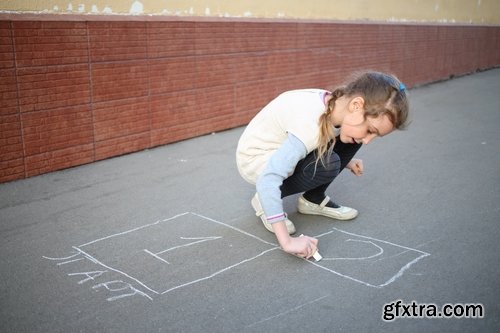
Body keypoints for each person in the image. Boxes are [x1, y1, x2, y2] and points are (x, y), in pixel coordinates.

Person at [236, 71, 409, 260]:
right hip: (256, 161)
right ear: (356, 105)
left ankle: (313, 199)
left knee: (352, 139)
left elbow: (322, 136)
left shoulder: (335, 105)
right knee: (328, 164)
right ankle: (264, 200)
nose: (368, 140)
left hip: (281, 147)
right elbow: (269, 178)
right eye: (370, 130)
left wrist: (348, 161)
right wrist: (288, 242)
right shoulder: (309, 125)